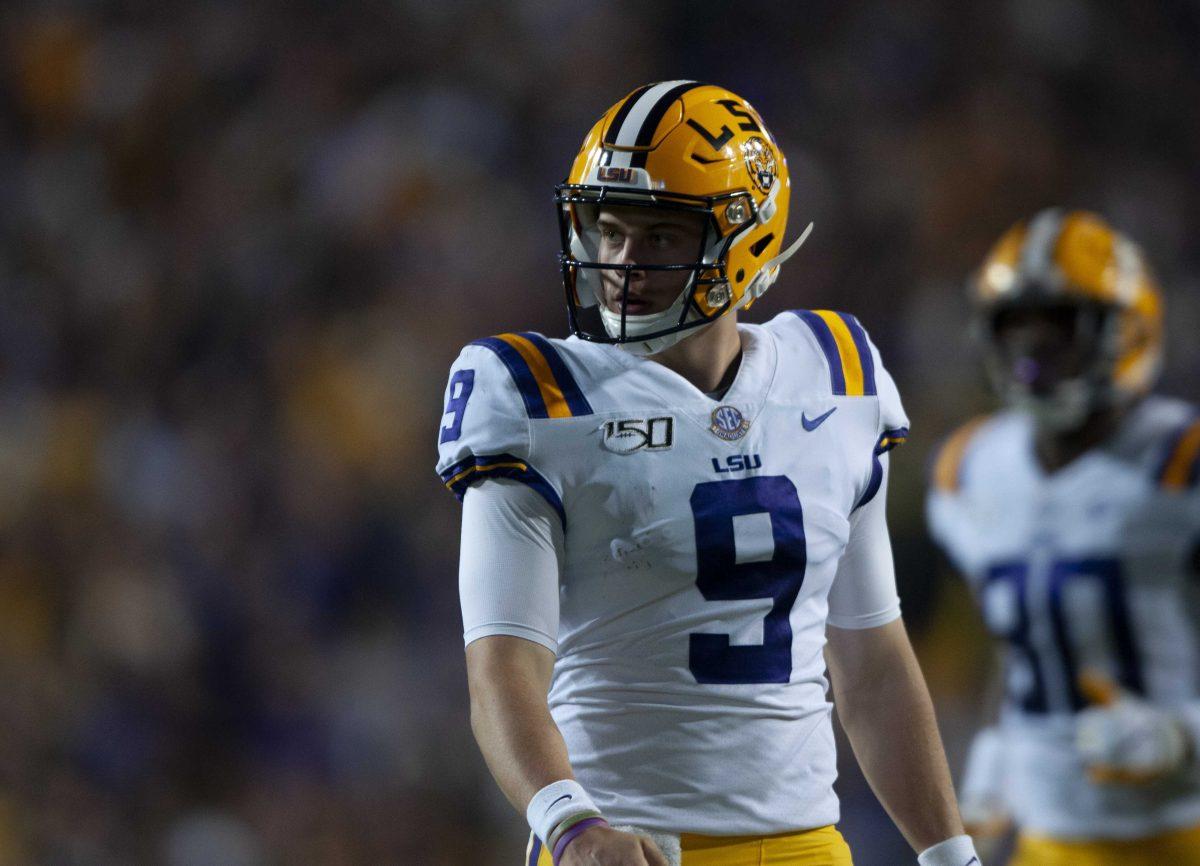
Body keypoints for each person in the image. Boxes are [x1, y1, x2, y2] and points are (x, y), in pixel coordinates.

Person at [437, 81, 981, 866]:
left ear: (746, 240)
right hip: (628, 844)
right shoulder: (532, 395)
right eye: (608, 230)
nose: (622, 264)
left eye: (658, 237)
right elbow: (502, 670)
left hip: (809, 847)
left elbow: (871, 661)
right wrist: (571, 824)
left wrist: (950, 854)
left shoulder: (836, 374)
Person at [927, 208, 1200, 865]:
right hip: (1049, 843)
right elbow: (1023, 635)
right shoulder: (971, 467)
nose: (1033, 351)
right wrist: (998, 748)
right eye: (1014, 327)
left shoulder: (1180, 461)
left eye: (1059, 327)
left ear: (1125, 329)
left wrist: (1185, 735)